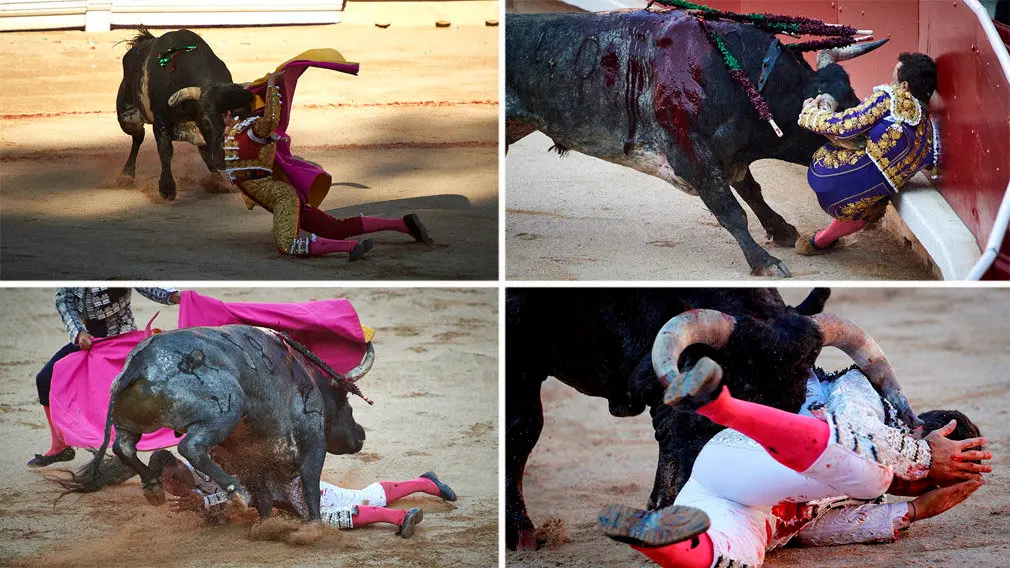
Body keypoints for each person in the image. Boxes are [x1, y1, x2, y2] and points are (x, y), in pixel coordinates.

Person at [598, 363, 992, 567]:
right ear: (923, 433)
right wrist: (923, 457)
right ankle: (721, 404)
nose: (914, 485)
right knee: (873, 473)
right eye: (924, 482)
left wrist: (917, 511)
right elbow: (858, 434)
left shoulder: (877, 486)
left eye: (924, 485)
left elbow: (811, 532)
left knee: (734, 557)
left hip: (739, 501)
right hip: (746, 453)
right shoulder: (864, 393)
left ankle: (657, 537)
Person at [224, 50, 432, 260]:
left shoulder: (254, 130)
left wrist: (270, 86)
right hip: (279, 195)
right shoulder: (238, 133)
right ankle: (402, 224)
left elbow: (271, 118)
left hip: (281, 198)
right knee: (334, 228)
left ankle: (350, 247)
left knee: (288, 245)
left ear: (229, 113)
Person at [795, 52, 940, 255]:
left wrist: (810, 114)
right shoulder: (929, 138)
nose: (890, 84)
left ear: (905, 87)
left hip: (826, 177)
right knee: (877, 199)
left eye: (893, 81)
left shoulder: (892, 97)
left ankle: (821, 240)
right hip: (858, 204)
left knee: (842, 138)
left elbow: (847, 125)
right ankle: (820, 241)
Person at [28, 287, 180, 468]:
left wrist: (172, 295)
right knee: (45, 379)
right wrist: (78, 333)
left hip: (121, 339)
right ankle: (60, 446)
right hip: (89, 341)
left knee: (142, 391)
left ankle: (175, 433)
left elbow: (144, 282)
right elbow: (65, 302)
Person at [150, 449, 456, 538]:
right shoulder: (191, 489)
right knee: (362, 497)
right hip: (283, 495)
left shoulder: (210, 460)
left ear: (178, 463)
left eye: (173, 477)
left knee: (325, 517)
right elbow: (223, 517)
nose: (175, 486)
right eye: (169, 485)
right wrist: (201, 509)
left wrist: (204, 502)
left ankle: (401, 517)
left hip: (290, 485)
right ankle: (426, 483)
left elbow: (242, 492)